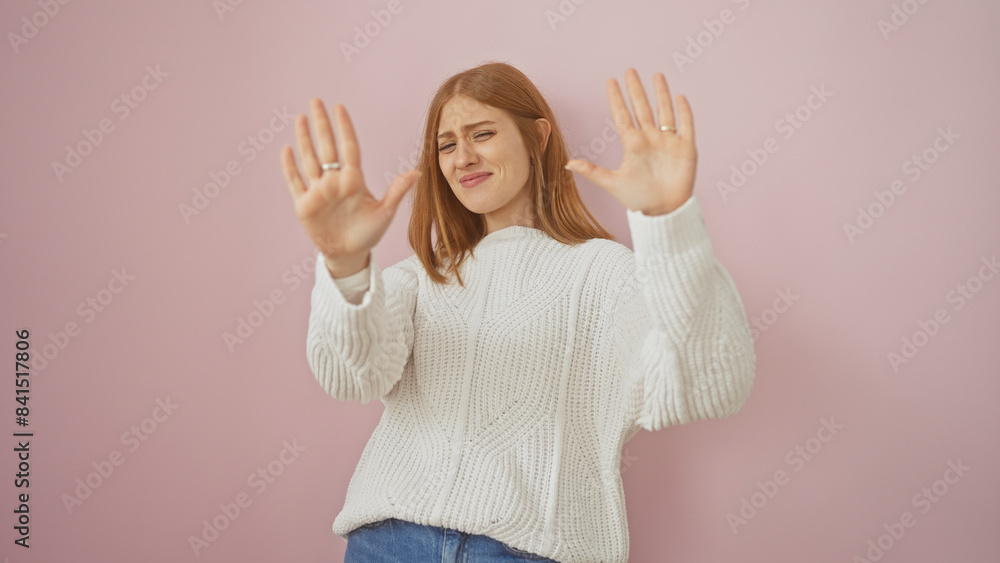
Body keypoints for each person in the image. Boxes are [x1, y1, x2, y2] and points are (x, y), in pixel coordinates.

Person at [279, 62, 756, 563]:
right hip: (389, 543)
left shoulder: (603, 273)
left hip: (526, 553)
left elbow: (712, 382)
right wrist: (345, 264)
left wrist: (670, 223)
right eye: (446, 145)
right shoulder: (422, 278)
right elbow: (351, 376)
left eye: (481, 133)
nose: (463, 157)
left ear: (538, 137)